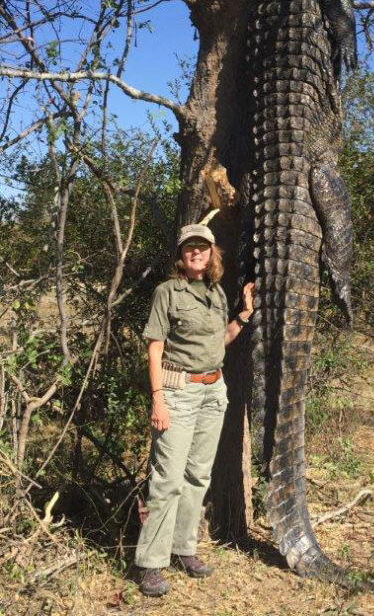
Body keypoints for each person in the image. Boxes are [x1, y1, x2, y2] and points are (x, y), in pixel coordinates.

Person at [134, 222, 254, 597]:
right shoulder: (167, 292)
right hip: (177, 391)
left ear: (212, 253)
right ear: (181, 256)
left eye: (203, 247)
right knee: (167, 478)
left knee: (198, 476)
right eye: (190, 247)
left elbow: (220, 342)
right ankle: (150, 564)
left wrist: (244, 314)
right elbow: (155, 347)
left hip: (213, 390)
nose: (197, 252)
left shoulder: (217, 294)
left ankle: (183, 549)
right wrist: (158, 398)